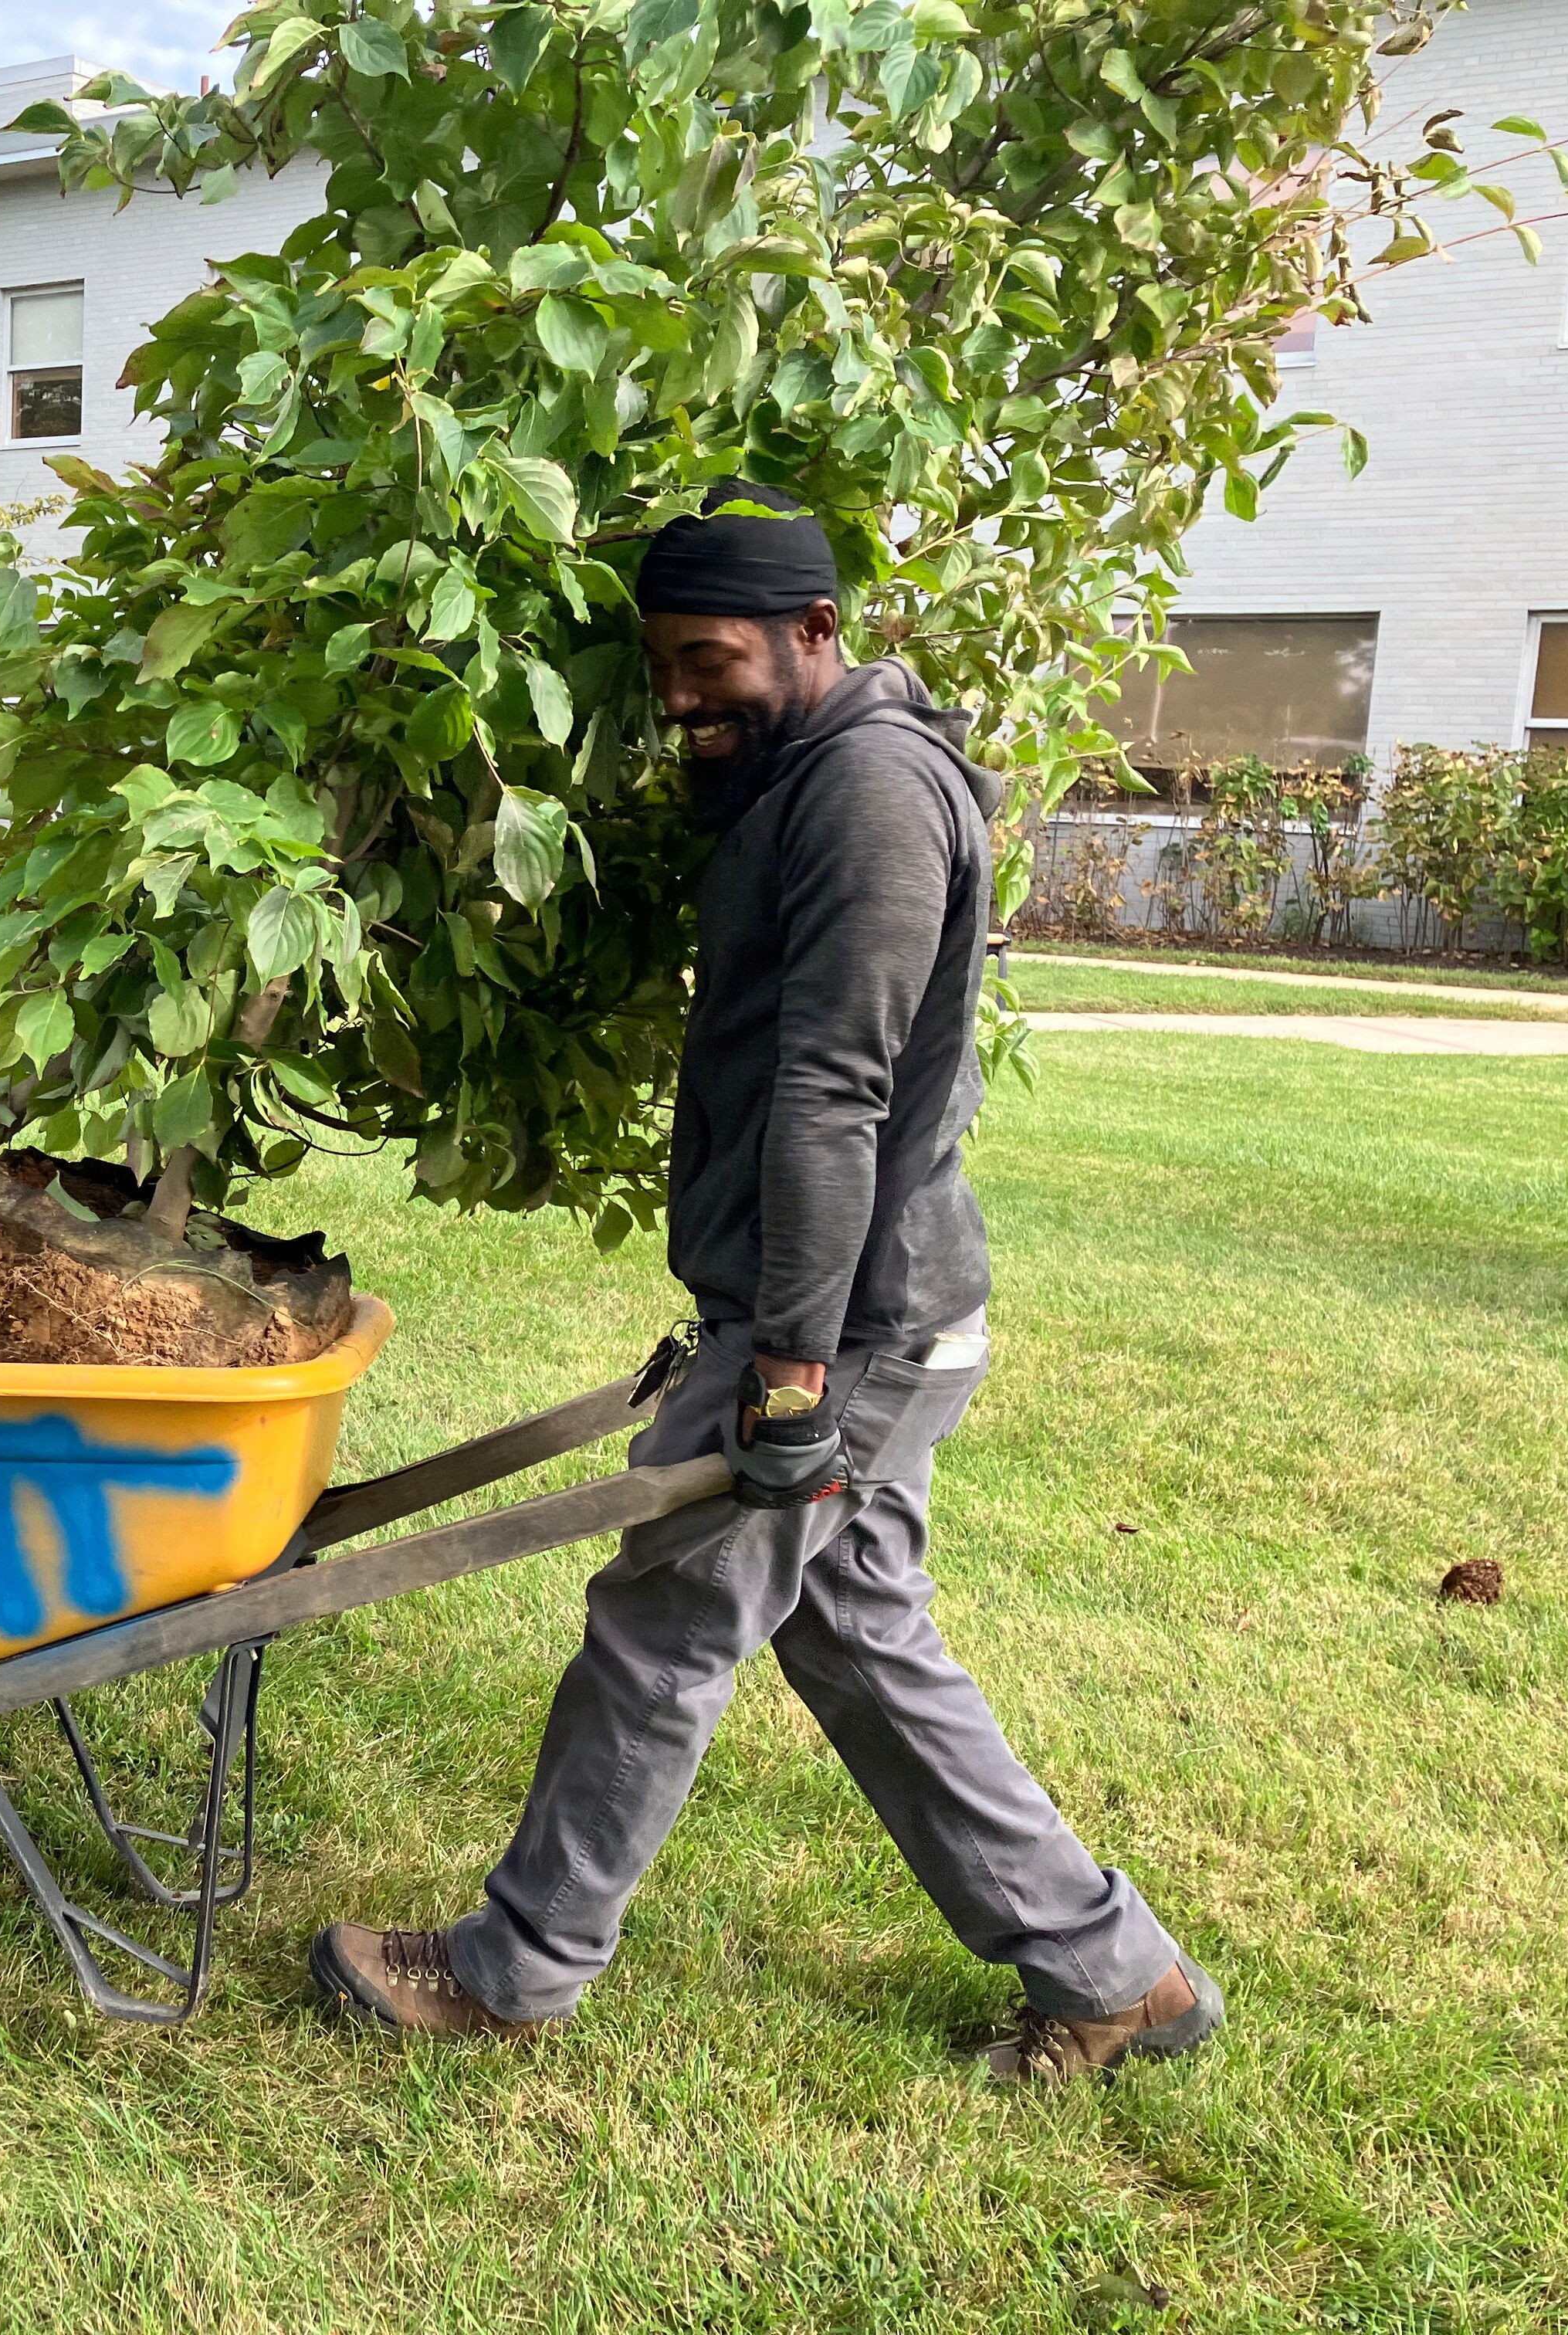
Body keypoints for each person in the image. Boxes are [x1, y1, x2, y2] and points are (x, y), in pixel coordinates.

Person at [310, 483, 1224, 2086]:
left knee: (661, 1627)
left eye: (706, 660)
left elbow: (834, 1095)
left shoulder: (870, 793)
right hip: (867, 1315)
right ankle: (1114, 1976)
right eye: (661, 664)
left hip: (845, 1332)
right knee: (861, 1638)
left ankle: (515, 1968)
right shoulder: (814, 771)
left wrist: (789, 1374)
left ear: (816, 632)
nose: (677, 698)